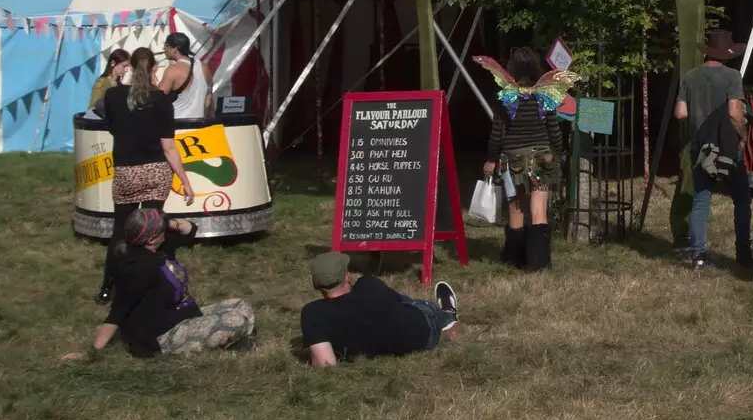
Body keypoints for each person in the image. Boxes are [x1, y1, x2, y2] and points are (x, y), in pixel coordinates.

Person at [63, 209, 254, 359]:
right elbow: (117, 313)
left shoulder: (160, 247)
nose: (166, 231)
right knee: (237, 321)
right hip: (162, 335)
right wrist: (93, 352)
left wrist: (167, 221)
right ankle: (235, 344)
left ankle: (234, 343)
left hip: (186, 316)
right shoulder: (137, 267)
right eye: (162, 229)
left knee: (242, 306)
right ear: (152, 237)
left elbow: (191, 229)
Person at [95, 46, 194, 303]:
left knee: (121, 231)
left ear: (130, 67)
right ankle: (153, 282)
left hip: (126, 170)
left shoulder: (113, 96)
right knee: (153, 230)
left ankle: (108, 286)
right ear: (154, 69)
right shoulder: (161, 101)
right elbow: (168, 147)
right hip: (155, 171)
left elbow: (113, 129)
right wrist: (185, 180)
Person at [477, 47, 568, 272]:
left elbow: (497, 134)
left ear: (511, 67)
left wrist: (491, 159)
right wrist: (557, 153)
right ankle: (538, 262)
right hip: (541, 158)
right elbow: (554, 131)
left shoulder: (504, 97)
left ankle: (512, 259)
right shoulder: (544, 95)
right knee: (539, 211)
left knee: (516, 209)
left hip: (511, 160)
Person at [300, 252, 459, 365]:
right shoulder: (369, 285)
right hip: (422, 333)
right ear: (347, 276)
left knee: (404, 303)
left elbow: (325, 364)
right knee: (419, 306)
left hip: (412, 339)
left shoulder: (314, 314)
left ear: (315, 284)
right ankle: (448, 312)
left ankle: (438, 312)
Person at [687, 104, 751, 269]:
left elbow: (680, 112)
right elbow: (734, 111)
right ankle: (744, 254)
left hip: (703, 147)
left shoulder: (691, 79)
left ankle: (697, 256)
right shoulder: (734, 88)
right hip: (728, 151)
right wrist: (743, 137)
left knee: (701, 202)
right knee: (743, 199)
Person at [159, 31, 212, 121]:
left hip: (177, 126)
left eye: (166, 46)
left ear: (174, 48)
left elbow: (158, 99)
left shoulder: (172, 70)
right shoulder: (204, 67)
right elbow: (208, 101)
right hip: (198, 125)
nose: (164, 49)